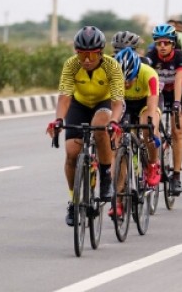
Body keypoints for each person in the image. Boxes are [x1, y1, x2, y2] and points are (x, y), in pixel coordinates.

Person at [46, 26, 125, 226]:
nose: (87, 60)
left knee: (100, 127)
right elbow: (64, 98)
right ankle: (74, 201)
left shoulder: (111, 66)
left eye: (91, 54)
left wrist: (114, 122)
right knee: (72, 152)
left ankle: (106, 175)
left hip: (104, 104)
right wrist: (58, 120)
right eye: (82, 54)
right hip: (79, 105)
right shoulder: (72, 65)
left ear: (100, 52)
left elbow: (117, 102)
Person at [109, 47, 161, 216]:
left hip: (145, 103)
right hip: (124, 104)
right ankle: (117, 200)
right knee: (117, 147)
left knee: (148, 130)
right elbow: (110, 104)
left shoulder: (149, 73)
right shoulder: (112, 75)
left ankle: (152, 164)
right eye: (122, 80)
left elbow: (153, 104)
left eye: (129, 80)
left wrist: (151, 126)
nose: (125, 84)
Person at [145, 24, 182, 195]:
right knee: (151, 127)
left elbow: (178, 80)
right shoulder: (151, 57)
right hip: (159, 95)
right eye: (158, 43)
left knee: (177, 132)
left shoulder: (180, 56)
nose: (162, 47)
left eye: (166, 43)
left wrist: (177, 103)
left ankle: (176, 175)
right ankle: (153, 164)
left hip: (178, 94)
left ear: (173, 44)